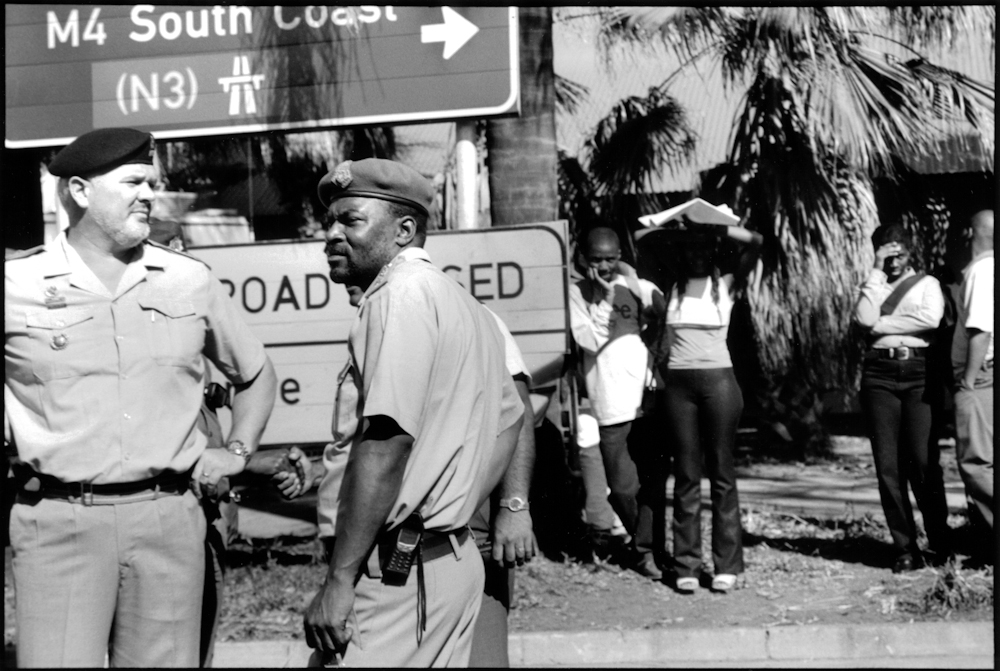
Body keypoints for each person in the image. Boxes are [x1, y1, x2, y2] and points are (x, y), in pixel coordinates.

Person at [4, 127, 277, 667]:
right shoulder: (17, 285)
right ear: (80, 190)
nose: (149, 194)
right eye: (132, 181)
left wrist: (237, 451)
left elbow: (256, 374)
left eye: (151, 182)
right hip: (59, 521)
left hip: (168, 520)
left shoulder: (186, 280)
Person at [303, 158, 524, 667]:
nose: (331, 236)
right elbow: (510, 419)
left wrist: (340, 579)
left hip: (398, 572)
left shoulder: (398, 296)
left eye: (350, 220)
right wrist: (454, 504)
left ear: (404, 230)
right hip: (447, 560)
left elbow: (386, 444)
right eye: (330, 222)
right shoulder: (461, 302)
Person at [638, 198, 761, 594]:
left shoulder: (724, 283)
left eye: (701, 248)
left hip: (719, 384)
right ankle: (687, 565)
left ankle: (727, 566)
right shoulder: (671, 286)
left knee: (722, 473)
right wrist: (680, 226)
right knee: (687, 475)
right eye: (688, 248)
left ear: (711, 251)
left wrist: (714, 228)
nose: (694, 254)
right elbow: (641, 238)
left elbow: (756, 242)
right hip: (680, 387)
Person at [568, 227, 667, 579]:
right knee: (623, 488)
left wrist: (631, 282)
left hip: (643, 396)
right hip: (608, 402)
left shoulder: (633, 283)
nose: (604, 265)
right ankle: (647, 545)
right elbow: (589, 341)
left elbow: (662, 312)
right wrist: (606, 297)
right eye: (596, 259)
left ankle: (647, 553)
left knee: (651, 483)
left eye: (611, 258)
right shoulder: (576, 294)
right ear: (582, 258)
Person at [853, 222, 951, 572]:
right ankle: (905, 547)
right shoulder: (874, 284)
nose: (894, 259)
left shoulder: (927, 284)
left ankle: (940, 541)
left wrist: (880, 326)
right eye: (886, 252)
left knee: (924, 462)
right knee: (888, 467)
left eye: (899, 252)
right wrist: (876, 272)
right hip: (878, 376)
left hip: (917, 374)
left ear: (911, 252)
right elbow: (862, 316)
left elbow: (930, 317)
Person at [950, 210, 993, 555]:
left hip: (981, 374)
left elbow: (980, 329)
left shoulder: (981, 269)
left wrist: (967, 380)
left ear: (969, 232)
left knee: (976, 462)